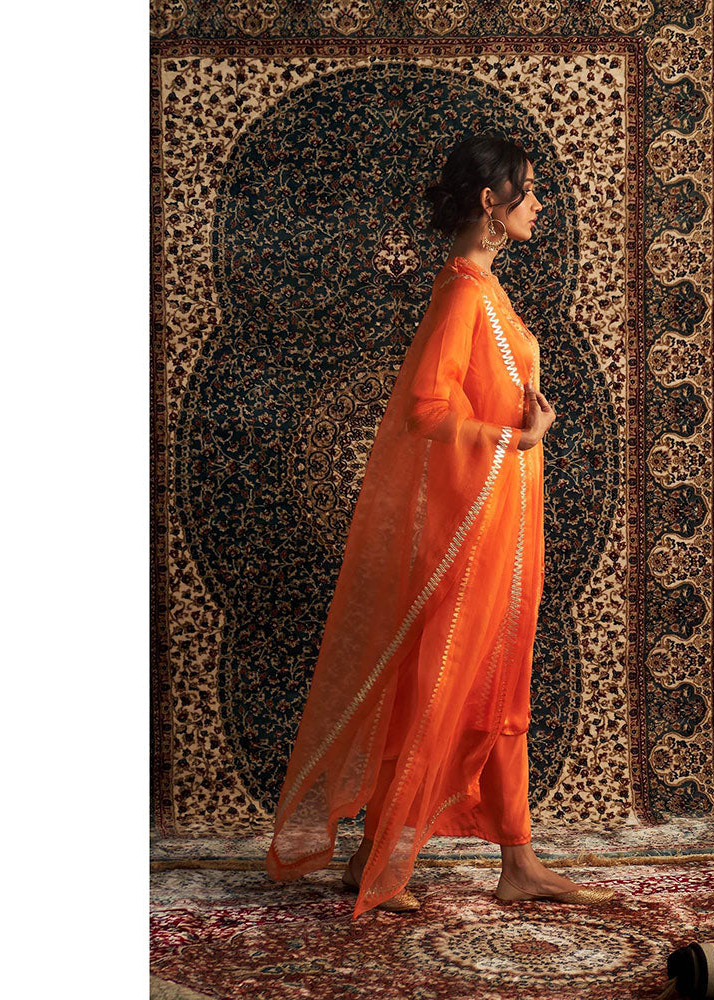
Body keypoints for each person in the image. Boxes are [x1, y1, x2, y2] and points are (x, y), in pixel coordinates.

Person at [266, 132, 615, 918]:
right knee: (443, 686)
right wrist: (514, 439)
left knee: (502, 691)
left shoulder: (487, 290)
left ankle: (518, 861)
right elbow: (427, 409)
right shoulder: (462, 295)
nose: (539, 204)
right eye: (528, 190)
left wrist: (523, 434)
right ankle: (376, 861)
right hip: (475, 529)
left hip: (511, 523)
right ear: (491, 202)